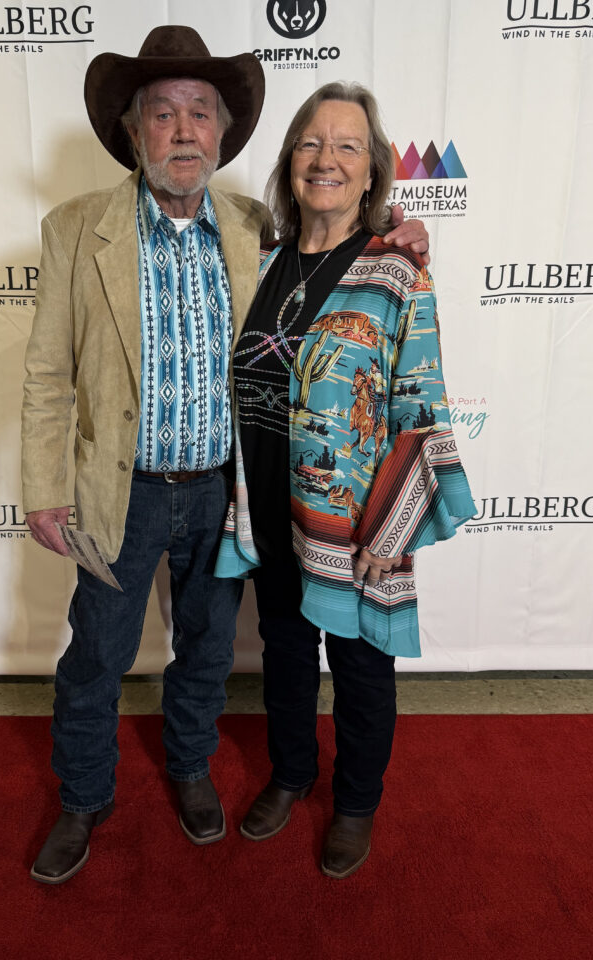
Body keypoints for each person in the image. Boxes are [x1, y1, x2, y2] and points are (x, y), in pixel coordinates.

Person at [22, 27, 429, 886]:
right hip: (121, 490)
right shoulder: (75, 229)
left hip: (224, 492)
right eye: (163, 112)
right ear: (132, 130)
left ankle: (190, 767)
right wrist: (44, 487)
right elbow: (48, 373)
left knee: (208, 650)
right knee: (96, 656)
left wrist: (400, 230)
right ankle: (84, 798)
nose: (183, 130)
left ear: (222, 133)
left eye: (200, 113)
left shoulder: (252, 230)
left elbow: (343, 254)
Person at [215, 82, 474, 879]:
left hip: (358, 520)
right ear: (289, 162)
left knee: (361, 667)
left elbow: (419, 407)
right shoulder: (258, 260)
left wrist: (390, 534)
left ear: (371, 174)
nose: (325, 158)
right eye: (310, 142)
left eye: (347, 146)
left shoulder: (396, 271)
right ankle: (293, 772)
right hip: (269, 507)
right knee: (286, 652)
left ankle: (356, 802)